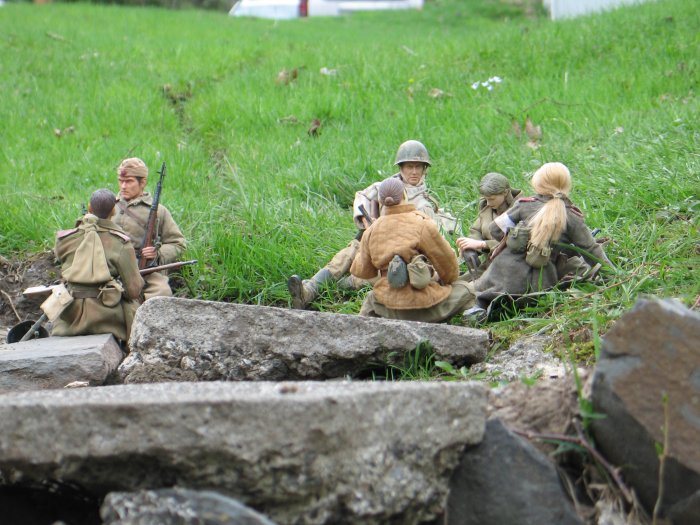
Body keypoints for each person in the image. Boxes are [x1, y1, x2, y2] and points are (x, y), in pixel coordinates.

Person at [287, 140, 461, 309]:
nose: (414, 172)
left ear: (424, 169)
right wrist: (367, 222)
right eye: (409, 166)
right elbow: (363, 196)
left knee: (370, 276)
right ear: (401, 168)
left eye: (418, 167)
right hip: (374, 243)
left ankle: (337, 285)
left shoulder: (424, 205)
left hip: (399, 259)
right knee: (351, 250)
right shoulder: (387, 187)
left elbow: (433, 244)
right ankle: (310, 289)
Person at [472, 162, 611, 313]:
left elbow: (495, 229)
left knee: (484, 292)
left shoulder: (523, 205)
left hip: (503, 270)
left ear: (537, 183)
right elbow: (591, 249)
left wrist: (513, 240)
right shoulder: (571, 215)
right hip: (539, 281)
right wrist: (612, 274)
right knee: (531, 301)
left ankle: (480, 307)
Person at [349, 177, 475, 322]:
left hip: (388, 307)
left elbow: (362, 271)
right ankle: (471, 318)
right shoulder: (421, 223)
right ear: (404, 195)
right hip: (428, 308)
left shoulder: (371, 231)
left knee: (371, 298)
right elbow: (449, 268)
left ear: (381, 201)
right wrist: (438, 279)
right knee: (467, 289)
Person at [52, 189, 144, 343]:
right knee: (133, 307)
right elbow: (134, 291)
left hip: (68, 315)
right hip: (106, 317)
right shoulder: (121, 242)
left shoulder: (64, 239)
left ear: (89, 207)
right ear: (113, 211)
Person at [113, 157, 186, 300]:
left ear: (142, 182)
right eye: (121, 181)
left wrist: (157, 253)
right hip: (111, 266)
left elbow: (178, 244)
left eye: (129, 181)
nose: (123, 186)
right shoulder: (109, 205)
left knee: (162, 292)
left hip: (145, 269)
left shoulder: (159, 211)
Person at [456, 172, 521, 279]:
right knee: (455, 283)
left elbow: (516, 243)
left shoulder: (520, 210)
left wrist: (483, 244)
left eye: (492, 199)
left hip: (510, 268)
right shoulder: (487, 208)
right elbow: (476, 230)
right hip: (488, 264)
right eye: (486, 199)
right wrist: (469, 244)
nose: (488, 203)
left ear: (505, 192)